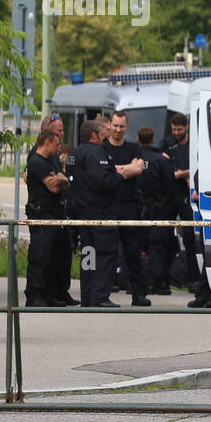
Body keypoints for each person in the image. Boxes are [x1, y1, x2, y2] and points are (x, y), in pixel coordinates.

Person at [67, 118, 143, 307]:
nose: (107, 134)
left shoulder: (75, 153)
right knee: (105, 254)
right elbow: (103, 181)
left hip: (82, 214)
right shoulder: (96, 152)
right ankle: (99, 296)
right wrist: (119, 176)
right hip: (100, 214)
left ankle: (87, 295)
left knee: (88, 254)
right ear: (94, 134)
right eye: (104, 131)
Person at [102, 110, 150, 306]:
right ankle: (102, 295)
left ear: (127, 127)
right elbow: (101, 171)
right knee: (107, 253)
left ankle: (138, 294)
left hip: (130, 205)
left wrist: (114, 169)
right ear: (109, 125)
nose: (118, 130)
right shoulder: (102, 148)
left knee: (133, 252)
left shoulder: (134, 148)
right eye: (115, 125)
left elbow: (138, 168)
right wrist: (125, 169)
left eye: (122, 126)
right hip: (108, 205)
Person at [23, 128, 75, 307]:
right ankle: (34, 294)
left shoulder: (52, 159)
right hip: (42, 214)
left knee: (58, 255)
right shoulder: (37, 162)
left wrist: (61, 180)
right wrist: (61, 181)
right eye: (56, 143)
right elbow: (53, 187)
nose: (59, 146)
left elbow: (63, 179)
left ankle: (51, 293)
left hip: (57, 213)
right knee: (40, 256)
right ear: (46, 142)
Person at [160, 113, 200, 298]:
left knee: (190, 238)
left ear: (187, 127)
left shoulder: (195, 144)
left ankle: (193, 279)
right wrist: (184, 173)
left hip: (187, 196)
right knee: (164, 236)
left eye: (179, 130)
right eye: (174, 129)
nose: (176, 133)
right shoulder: (166, 143)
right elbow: (166, 171)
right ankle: (163, 278)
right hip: (170, 194)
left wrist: (180, 173)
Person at [135, 127, 176, 297]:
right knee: (158, 247)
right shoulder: (161, 160)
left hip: (137, 208)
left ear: (138, 139)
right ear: (153, 140)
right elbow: (171, 185)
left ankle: (135, 282)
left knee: (135, 246)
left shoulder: (134, 158)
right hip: (159, 208)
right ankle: (156, 283)